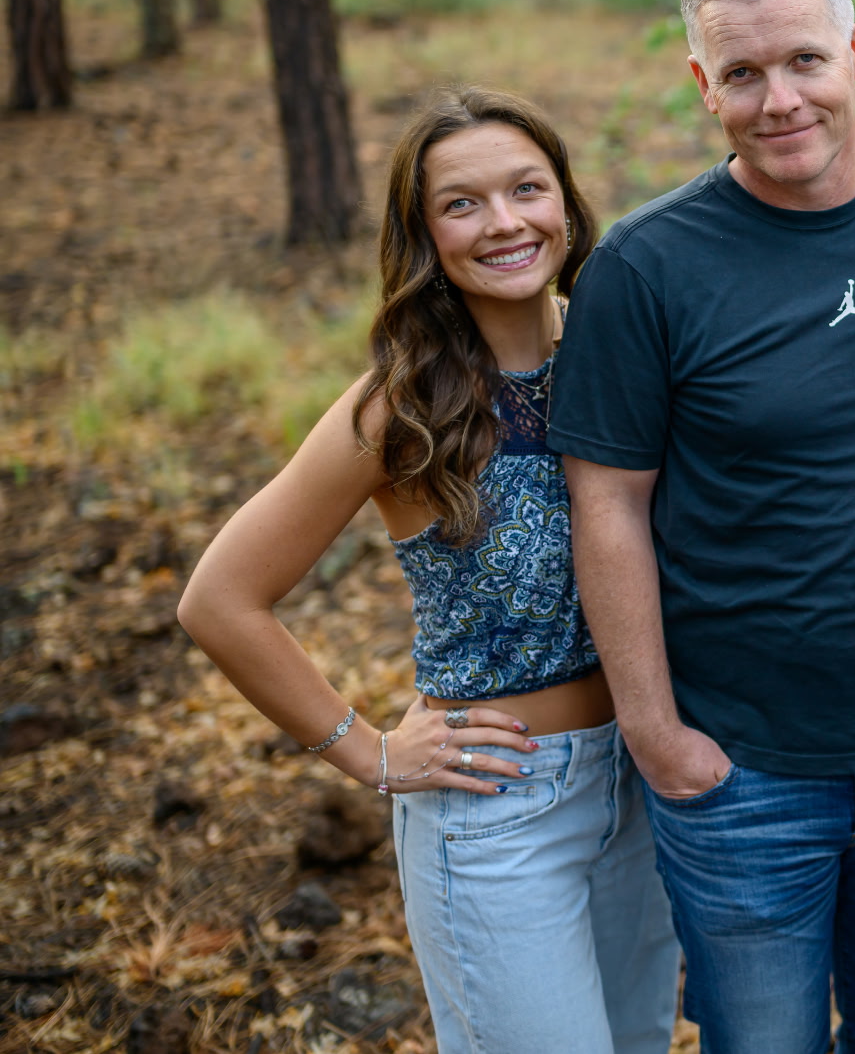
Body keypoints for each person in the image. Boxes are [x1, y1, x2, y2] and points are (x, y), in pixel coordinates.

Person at [546, 0, 855, 1054]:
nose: (778, 98)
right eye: (742, 73)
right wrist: (654, 733)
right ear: (703, 84)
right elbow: (607, 506)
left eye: (802, 59)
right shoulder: (645, 268)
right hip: (739, 773)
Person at [177, 88, 680, 1054]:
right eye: (462, 203)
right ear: (423, 234)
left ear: (567, 205)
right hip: (498, 808)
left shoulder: (623, 352)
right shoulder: (403, 403)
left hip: (642, 782)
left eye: (526, 188)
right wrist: (365, 753)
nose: (504, 223)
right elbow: (221, 599)